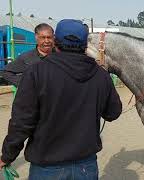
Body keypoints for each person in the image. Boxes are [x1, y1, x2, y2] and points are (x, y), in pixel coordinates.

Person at [0, 19, 122, 180]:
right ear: (85, 44)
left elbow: (21, 122)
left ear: (55, 41)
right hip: (86, 166)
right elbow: (113, 113)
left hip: (47, 166)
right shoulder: (101, 75)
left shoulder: (36, 72)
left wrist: (7, 156)